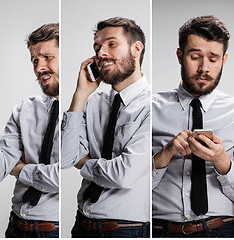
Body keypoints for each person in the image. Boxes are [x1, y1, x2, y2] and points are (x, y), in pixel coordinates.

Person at [152, 15, 234, 238]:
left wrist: (222, 162)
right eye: (195, 57)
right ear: (180, 56)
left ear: (224, 60)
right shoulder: (148, 109)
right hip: (160, 230)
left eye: (213, 59)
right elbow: (127, 192)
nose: (204, 68)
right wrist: (164, 155)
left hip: (221, 231)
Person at [61, 17, 150, 238]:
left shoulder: (154, 107)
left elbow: (123, 175)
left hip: (128, 230)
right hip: (82, 225)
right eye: (97, 47)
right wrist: (80, 95)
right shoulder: (92, 102)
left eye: (111, 44)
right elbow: (64, 157)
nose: (101, 53)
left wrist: (82, 163)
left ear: (136, 49)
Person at [0, 23, 59, 238]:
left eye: (47, 57)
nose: (39, 68)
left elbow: (60, 177)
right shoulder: (24, 110)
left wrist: (19, 169)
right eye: (35, 61)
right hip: (16, 227)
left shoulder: (88, 110)